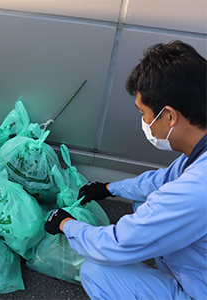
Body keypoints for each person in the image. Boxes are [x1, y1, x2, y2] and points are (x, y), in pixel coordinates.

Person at [45, 40, 206, 299]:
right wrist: (109, 188)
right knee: (143, 202)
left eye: (144, 113)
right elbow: (161, 181)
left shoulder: (196, 191)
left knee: (96, 272)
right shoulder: (200, 153)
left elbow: (115, 245)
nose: (144, 123)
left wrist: (66, 224)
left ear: (169, 116)